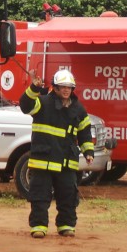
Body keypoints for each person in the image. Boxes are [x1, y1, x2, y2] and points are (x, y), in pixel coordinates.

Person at [19, 69, 94, 238]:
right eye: (62, 87)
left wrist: (88, 151)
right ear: (55, 88)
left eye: (69, 87)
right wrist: (33, 88)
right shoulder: (43, 103)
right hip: (43, 161)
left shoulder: (78, 109)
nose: (66, 90)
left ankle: (66, 226)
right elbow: (25, 105)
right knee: (40, 196)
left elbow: (84, 132)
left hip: (67, 162)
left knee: (68, 196)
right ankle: (38, 226)